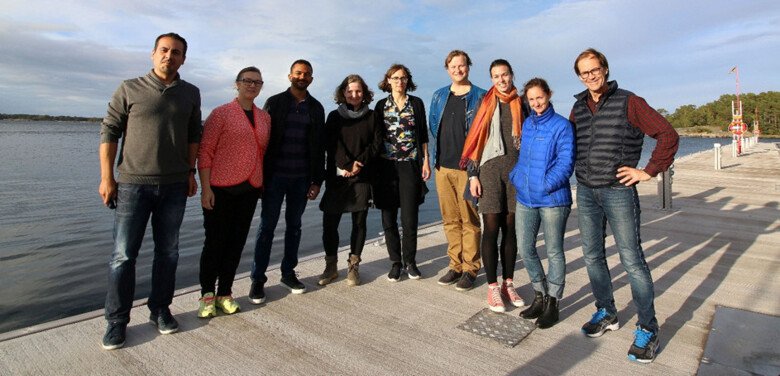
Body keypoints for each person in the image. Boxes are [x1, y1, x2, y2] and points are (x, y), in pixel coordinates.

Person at [570, 48, 679, 363]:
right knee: (592, 256)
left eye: (594, 70)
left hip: (619, 191)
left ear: (604, 68)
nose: (590, 76)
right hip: (587, 192)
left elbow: (667, 134)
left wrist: (647, 171)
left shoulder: (630, 102)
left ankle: (648, 328)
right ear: (579, 76)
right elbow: (568, 144)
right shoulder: (578, 107)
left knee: (632, 261)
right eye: (583, 72)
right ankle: (606, 311)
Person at [98, 32, 201, 350]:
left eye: (177, 52)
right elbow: (110, 131)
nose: (170, 56)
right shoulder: (129, 88)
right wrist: (107, 178)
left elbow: (193, 135)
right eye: (165, 50)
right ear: (153, 54)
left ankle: (160, 310)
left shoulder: (191, 93)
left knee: (168, 253)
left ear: (184, 58)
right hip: (132, 184)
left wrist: (190, 172)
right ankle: (116, 322)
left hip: (173, 186)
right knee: (123, 256)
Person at [196, 67, 271, 318]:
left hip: (250, 188)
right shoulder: (221, 114)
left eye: (257, 82)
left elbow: (262, 151)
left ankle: (225, 293)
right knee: (215, 242)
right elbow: (205, 152)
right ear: (236, 84)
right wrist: (205, 188)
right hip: (220, 187)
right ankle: (207, 295)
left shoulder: (264, 118)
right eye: (247, 81)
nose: (252, 85)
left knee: (237, 243)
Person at [249, 59, 325, 302]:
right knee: (266, 228)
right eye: (298, 73)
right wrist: (258, 177)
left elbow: (318, 148)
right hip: (274, 177)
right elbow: (261, 141)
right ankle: (257, 280)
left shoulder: (316, 107)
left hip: (301, 178)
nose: (302, 77)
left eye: (307, 74)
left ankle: (288, 272)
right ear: (290, 76)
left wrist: (317, 181)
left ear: (311, 79)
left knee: (294, 227)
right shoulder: (275, 103)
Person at [460, 59, 528, 313]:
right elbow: (474, 139)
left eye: (505, 74)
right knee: (490, 227)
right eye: (496, 76)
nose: (501, 79)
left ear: (512, 75)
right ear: (491, 79)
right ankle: (491, 287)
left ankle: (508, 284)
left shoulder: (521, 103)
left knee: (510, 228)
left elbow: (530, 139)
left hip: (515, 172)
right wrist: (472, 175)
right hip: (488, 171)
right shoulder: (485, 103)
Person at [509, 78, 575, 328]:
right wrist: (516, 176)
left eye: (540, 97)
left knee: (554, 251)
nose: (536, 102)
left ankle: (553, 302)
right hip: (526, 198)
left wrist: (545, 185)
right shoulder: (527, 124)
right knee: (525, 248)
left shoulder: (562, 126)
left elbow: (565, 163)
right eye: (531, 99)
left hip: (552, 200)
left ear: (549, 94)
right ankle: (539, 294)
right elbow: (523, 158)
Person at [428, 50, 486, 291]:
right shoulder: (439, 96)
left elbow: (483, 133)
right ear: (447, 69)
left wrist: (475, 169)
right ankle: (455, 265)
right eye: (453, 66)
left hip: (467, 169)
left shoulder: (480, 96)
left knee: (469, 220)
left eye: (462, 66)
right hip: (443, 168)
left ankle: (471, 268)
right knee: (450, 220)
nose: (458, 70)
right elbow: (433, 127)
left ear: (468, 67)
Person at [317, 74, 382, 287]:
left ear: (364, 93)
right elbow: (330, 143)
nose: (354, 94)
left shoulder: (372, 116)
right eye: (350, 91)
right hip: (338, 176)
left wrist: (358, 164)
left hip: (362, 176)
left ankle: (354, 265)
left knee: (359, 223)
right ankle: (331, 265)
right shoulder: (334, 117)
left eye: (358, 91)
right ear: (343, 93)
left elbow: (376, 144)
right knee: (329, 223)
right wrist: (345, 165)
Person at [373, 64, 430, 282]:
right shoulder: (380, 105)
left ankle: (410, 262)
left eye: (403, 78)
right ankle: (395, 263)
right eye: (395, 78)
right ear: (388, 80)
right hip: (386, 167)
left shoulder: (416, 103)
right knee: (388, 218)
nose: (399, 81)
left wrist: (425, 161)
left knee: (409, 217)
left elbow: (423, 134)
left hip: (410, 165)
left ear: (408, 80)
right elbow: (376, 136)